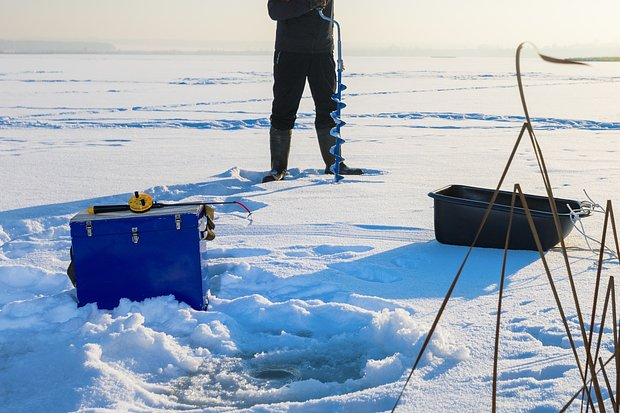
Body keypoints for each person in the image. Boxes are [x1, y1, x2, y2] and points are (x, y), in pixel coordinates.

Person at [263, 0, 363, 183]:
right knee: (283, 109)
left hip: (322, 51)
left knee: (329, 109)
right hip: (289, 51)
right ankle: (278, 168)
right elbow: (274, 10)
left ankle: (334, 164)